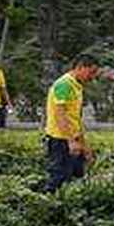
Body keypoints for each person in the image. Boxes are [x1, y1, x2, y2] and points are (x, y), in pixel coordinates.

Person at [41, 55, 98, 192]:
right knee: (58, 178)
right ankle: (48, 206)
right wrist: (70, 141)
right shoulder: (64, 84)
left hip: (73, 138)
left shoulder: (77, 86)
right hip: (60, 139)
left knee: (77, 175)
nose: (92, 77)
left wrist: (84, 144)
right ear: (80, 67)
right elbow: (60, 114)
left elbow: (75, 118)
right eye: (91, 72)